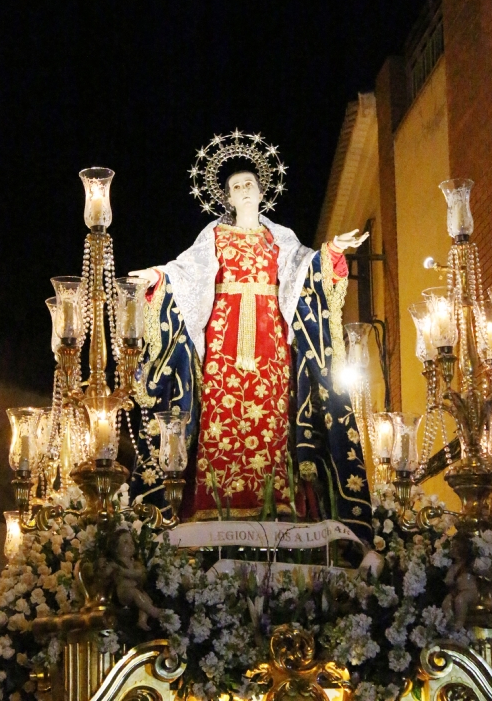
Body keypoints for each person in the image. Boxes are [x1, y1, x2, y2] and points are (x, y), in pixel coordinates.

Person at [129, 132, 372, 539]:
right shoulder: (213, 236)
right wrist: (158, 277)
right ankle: (211, 506)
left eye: (249, 184)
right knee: (219, 417)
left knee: (271, 418)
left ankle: (276, 506)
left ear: (262, 192)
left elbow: (306, 272)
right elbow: (185, 274)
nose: (243, 190)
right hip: (222, 342)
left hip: (270, 343)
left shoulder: (281, 239)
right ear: (227, 197)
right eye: (236, 186)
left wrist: (331, 252)